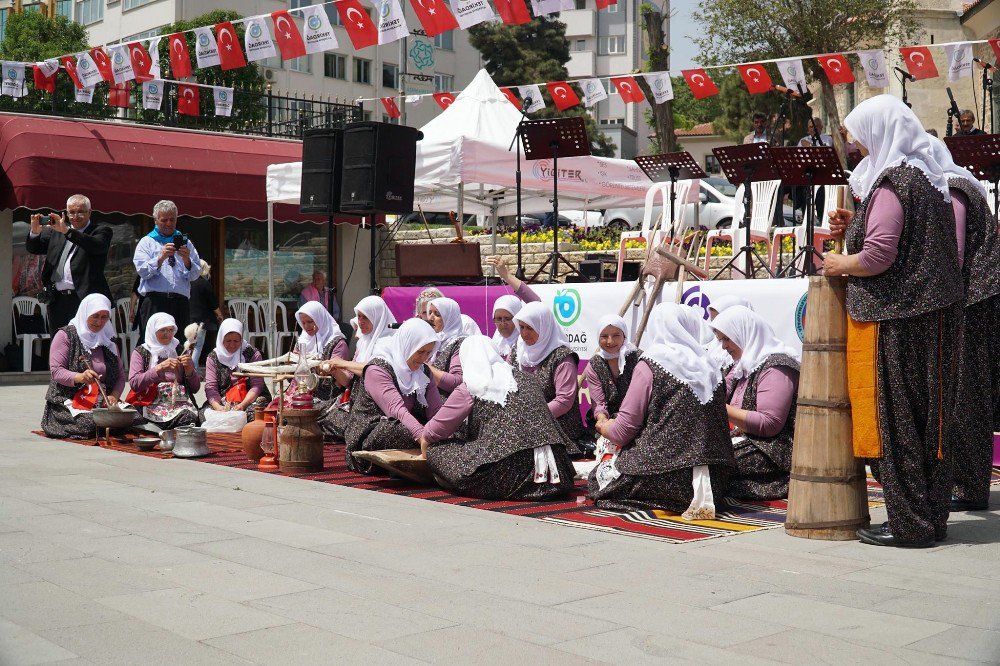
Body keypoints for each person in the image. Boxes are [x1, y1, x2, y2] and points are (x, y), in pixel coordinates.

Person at [824, 95, 964, 548]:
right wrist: (858, 220)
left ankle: (909, 525)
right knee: (931, 422)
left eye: (860, 138)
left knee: (898, 420)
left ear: (880, 132)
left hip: (901, 320)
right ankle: (929, 517)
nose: (857, 148)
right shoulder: (930, 180)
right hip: (935, 315)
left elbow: (879, 256)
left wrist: (840, 263)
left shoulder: (893, 184)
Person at [589, 303, 733, 515]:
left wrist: (604, 427)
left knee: (599, 477)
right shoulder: (711, 366)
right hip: (715, 480)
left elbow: (622, 432)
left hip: (663, 476)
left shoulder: (650, 364)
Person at [927, 138, 1000, 512]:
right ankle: (969, 480)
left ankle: (971, 486)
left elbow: (952, 254)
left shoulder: (954, 189)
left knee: (968, 395)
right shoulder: (961, 184)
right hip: (976, 300)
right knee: (969, 394)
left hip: (971, 304)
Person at [420, 336, 574, 500]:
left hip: (508, 474)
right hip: (557, 473)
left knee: (437, 452)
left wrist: (425, 448)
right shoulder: (528, 380)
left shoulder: (473, 385)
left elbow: (434, 431)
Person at [711, 306, 800, 501]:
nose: (724, 346)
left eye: (727, 339)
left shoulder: (777, 367)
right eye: (721, 340)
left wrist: (719, 408)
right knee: (696, 459)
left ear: (744, 333)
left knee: (711, 466)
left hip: (773, 449)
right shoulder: (743, 366)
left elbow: (769, 424)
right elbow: (717, 396)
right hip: (747, 440)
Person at [344, 318, 443, 473]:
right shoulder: (377, 369)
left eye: (428, 353)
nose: (424, 358)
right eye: (420, 352)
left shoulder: (423, 372)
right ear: (407, 346)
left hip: (409, 427)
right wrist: (424, 436)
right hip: (371, 433)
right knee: (399, 429)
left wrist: (444, 430)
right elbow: (397, 411)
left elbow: (436, 410)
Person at [41, 294, 128, 439]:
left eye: (104, 317)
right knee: (89, 423)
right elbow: (56, 371)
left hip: (101, 400)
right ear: (85, 313)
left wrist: (114, 396)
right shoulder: (66, 335)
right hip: (69, 399)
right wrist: (80, 377)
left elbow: (120, 376)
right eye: (95, 316)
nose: (99, 322)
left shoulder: (109, 341)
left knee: (134, 417)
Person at [511, 302, 589, 457]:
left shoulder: (561, 358)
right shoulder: (518, 351)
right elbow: (506, 382)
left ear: (543, 327)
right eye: (522, 327)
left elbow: (564, 401)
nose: (524, 334)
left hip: (558, 429)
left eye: (530, 328)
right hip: (524, 424)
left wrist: (531, 416)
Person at [25, 195, 113, 331]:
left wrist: (67, 231)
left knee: (84, 342)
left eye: (80, 212)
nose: (75, 216)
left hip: (84, 298)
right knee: (60, 343)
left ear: (89, 212)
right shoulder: (57, 233)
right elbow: (34, 248)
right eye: (71, 212)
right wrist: (35, 232)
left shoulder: (100, 231)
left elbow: (97, 246)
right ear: (65, 213)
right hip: (57, 299)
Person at [317, 295, 396, 440]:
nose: (360, 322)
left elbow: (374, 369)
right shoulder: (363, 343)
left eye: (365, 317)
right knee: (314, 412)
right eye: (358, 317)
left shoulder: (388, 342)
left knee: (325, 422)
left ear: (377, 317)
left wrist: (342, 363)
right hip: (355, 402)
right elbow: (350, 382)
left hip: (373, 408)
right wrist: (335, 370)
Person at [133, 200, 201, 340]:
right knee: (152, 344)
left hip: (180, 303)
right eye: (164, 220)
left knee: (180, 343)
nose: (169, 224)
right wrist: (160, 257)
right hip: (155, 302)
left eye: (172, 219)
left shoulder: (185, 243)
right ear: (156, 220)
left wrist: (187, 260)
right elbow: (142, 271)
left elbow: (195, 275)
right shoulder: (147, 242)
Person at [126, 312, 200, 430]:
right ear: (153, 331)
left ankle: (155, 429)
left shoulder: (180, 350)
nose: (167, 334)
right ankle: (155, 427)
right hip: (148, 402)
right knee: (133, 417)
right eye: (163, 330)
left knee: (189, 417)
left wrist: (190, 370)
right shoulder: (141, 352)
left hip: (176, 404)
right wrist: (158, 368)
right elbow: (135, 383)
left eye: (171, 330)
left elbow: (195, 388)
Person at [200, 318, 271, 423]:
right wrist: (218, 407)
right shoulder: (213, 357)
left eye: (236, 341)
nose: (232, 345)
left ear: (241, 339)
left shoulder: (253, 354)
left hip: (250, 400)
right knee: (204, 415)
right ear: (221, 339)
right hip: (224, 401)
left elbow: (257, 385)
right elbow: (211, 387)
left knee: (255, 414)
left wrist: (242, 405)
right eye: (228, 341)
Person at [582, 315, 641, 431]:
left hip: (636, 421)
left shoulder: (638, 359)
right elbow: (598, 403)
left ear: (624, 336)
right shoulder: (595, 364)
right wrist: (602, 419)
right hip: (607, 422)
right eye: (604, 336)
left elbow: (641, 400)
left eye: (616, 335)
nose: (610, 341)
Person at [287, 301, 349, 403]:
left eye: (310, 321)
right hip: (300, 392)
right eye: (303, 323)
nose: (306, 326)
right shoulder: (302, 341)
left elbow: (340, 382)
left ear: (320, 319)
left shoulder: (338, 344)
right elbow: (294, 373)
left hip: (327, 396)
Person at [485, 254, 541, 357]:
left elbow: (536, 304)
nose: (502, 323)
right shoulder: (494, 344)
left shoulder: (526, 344)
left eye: (507, 318)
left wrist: (506, 275)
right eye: (498, 319)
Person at [426, 297, 467, 396]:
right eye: (430, 312)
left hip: (445, 403)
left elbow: (456, 382)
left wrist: (423, 366)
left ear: (449, 318)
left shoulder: (459, 342)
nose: (431, 318)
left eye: (437, 314)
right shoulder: (433, 340)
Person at [188, 260, 224, 367]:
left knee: (189, 346)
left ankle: (191, 371)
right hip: (200, 321)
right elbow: (213, 302)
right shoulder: (204, 283)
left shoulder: (186, 282)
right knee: (197, 347)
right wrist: (219, 314)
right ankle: (193, 371)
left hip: (187, 319)